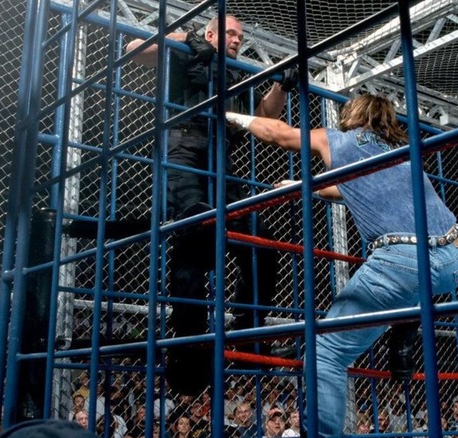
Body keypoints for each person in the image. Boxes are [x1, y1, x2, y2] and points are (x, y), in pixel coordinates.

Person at [225, 92, 458, 437]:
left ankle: (401, 324)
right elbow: (349, 188)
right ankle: (405, 323)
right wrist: (305, 186)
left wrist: (233, 116)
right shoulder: (400, 155)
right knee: (411, 287)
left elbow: (279, 133)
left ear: (352, 113)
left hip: (403, 262)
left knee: (325, 352)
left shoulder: (336, 139)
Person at [126, 14, 296, 396]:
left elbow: (266, 116)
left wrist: (282, 85)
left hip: (224, 163)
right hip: (185, 152)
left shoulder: (233, 70)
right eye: (230, 34)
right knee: (194, 237)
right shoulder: (190, 51)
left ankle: (247, 331)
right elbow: (133, 49)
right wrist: (184, 39)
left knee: (262, 240)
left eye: (240, 36)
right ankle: (189, 351)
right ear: (211, 33)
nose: (237, 40)